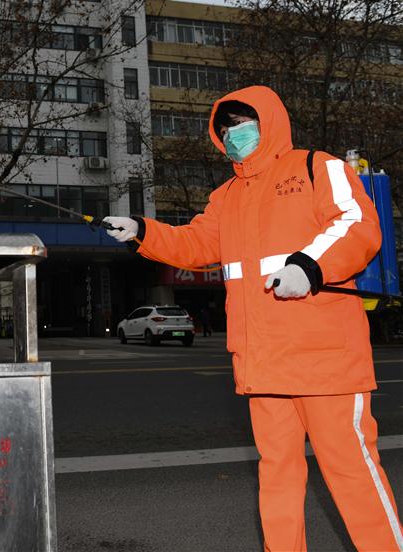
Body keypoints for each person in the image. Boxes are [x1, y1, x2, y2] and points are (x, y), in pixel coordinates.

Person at [104, 85, 402, 551]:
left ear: (269, 122)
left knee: (350, 470)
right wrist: (143, 232)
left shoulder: (317, 166)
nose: (232, 135)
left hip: (324, 358)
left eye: (241, 124)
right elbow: (198, 245)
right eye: (224, 129)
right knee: (277, 476)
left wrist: (309, 265)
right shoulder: (227, 196)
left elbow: (356, 225)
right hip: (263, 361)